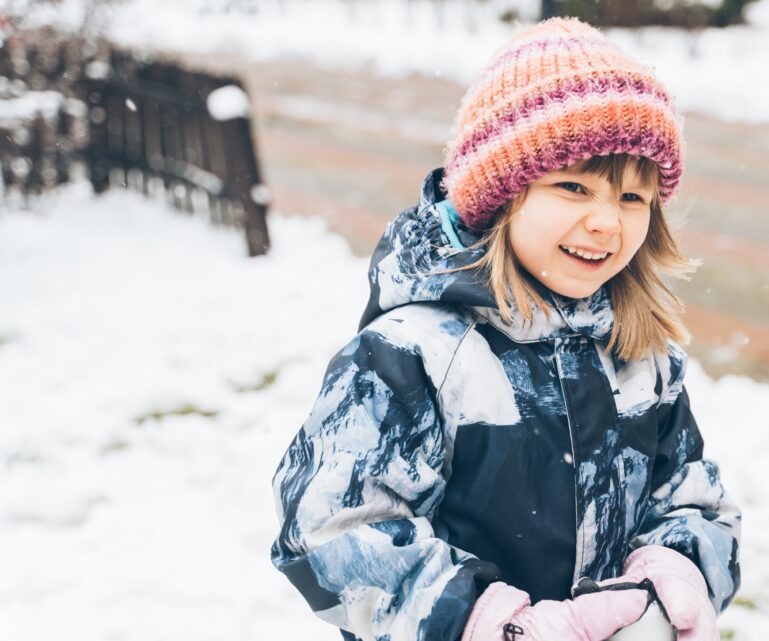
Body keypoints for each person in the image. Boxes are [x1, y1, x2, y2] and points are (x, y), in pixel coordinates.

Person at [271, 17, 741, 641]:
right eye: (573, 187)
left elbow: (689, 497)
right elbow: (333, 530)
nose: (607, 222)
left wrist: (673, 575)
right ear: (501, 196)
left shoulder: (637, 352)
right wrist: (493, 624)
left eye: (633, 198)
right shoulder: (414, 354)